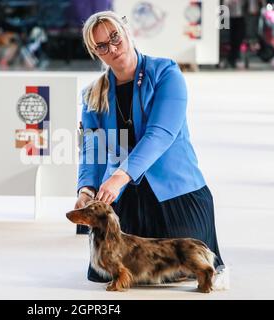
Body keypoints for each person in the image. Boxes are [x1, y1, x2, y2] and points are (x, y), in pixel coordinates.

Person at [74, 11, 226, 283]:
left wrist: (119, 176)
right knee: (102, 271)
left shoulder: (166, 73)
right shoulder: (92, 94)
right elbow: (92, 149)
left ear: (127, 32)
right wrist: (87, 189)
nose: (113, 48)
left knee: (182, 270)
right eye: (102, 46)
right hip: (127, 196)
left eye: (115, 37)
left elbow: (161, 134)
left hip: (176, 193)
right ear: (95, 53)